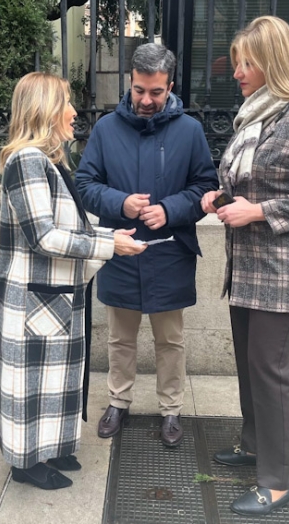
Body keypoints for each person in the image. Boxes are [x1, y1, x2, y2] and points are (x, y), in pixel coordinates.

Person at [200, 16, 289, 515]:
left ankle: (278, 482)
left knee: (270, 371)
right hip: (247, 267)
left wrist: (259, 211)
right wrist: (219, 198)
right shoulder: (255, 116)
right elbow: (254, 183)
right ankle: (254, 446)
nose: (236, 71)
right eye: (237, 61)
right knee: (249, 364)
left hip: (286, 274)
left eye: (247, 62)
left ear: (274, 62)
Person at [0, 72, 146, 491]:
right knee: (31, 382)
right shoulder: (26, 161)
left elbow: (71, 225)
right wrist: (108, 246)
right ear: (44, 109)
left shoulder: (50, 162)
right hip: (32, 296)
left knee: (58, 378)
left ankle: (55, 447)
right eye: (66, 102)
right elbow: (43, 236)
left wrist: (109, 238)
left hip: (54, 293)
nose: (75, 112)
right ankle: (24, 462)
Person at [75, 43, 219, 447]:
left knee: (170, 340)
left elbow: (206, 187)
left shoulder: (189, 131)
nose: (146, 100)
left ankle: (171, 409)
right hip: (119, 250)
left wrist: (170, 210)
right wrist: (120, 202)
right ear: (131, 82)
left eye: (155, 92)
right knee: (120, 338)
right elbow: (84, 185)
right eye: (139, 90)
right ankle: (118, 401)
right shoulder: (106, 128)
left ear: (170, 86)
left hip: (170, 252)